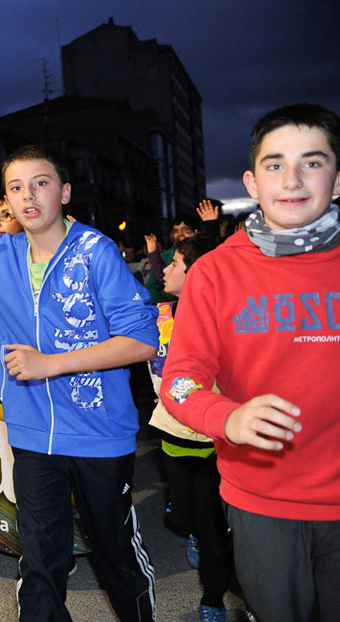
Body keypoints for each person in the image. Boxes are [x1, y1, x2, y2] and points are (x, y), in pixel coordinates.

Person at [0, 138, 158, 622]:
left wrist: (49, 363)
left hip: (100, 437)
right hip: (33, 439)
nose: (29, 196)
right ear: (8, 200)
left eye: (41, 183)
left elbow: (142, 339)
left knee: (116, 559)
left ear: (64, 192)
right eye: (16, 188)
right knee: (39, 564)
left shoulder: (94, 251)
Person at [161, 103, 340, 621]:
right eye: (274, 164)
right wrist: (228, 417)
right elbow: (177, 384)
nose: (292, 179)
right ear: (252, 180)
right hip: (261, 503)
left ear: (336, 175)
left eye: (312, 162)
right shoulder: (215, 273)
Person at [146, 235, 230, 622]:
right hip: (173, 440)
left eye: (175, 262)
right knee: (181, 518)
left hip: (216, 446)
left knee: (213, 530)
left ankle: (213, 599)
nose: (165, 268)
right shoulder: (160, 315)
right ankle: (190, 525)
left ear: (198, 272)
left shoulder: (226, 315)